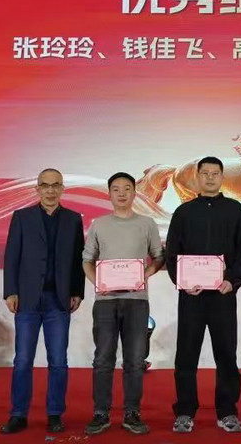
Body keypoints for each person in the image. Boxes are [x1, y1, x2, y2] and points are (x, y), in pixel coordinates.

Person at [165, 156, 241, 433]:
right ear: (198, 177)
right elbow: (172, 253)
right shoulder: (183, 212)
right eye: (205, 173)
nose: (210, 178)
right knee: (186, 354)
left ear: (222, 177)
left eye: (215, 173)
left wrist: (232, 281)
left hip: (223, 295)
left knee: (226, 354)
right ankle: (184, 412)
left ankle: (227, 412)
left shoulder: (235, 210)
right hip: (191, 296)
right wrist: (182, 281)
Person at [0, 168, 85, 435]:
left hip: (58, 301)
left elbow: (78, 259)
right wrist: (10, 291)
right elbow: (11, 256)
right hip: (27, 299)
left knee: (58, 360)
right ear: (37, 189)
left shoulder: (73, 219)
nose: (50, 190)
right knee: (23, 360)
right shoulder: (21, 217)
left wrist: (77, 291)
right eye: (45, 185)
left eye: (55, 185)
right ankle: (18, 414)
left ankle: (54, 414)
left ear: (62, 189)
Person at [81, 172, 165, 436]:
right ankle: (100, 412)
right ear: (109, 193)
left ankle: (132, 412)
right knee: (102, 359)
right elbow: (87, 259)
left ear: (134, 193)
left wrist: (145, 274)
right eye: (115, 189)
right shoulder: (99, 224)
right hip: (105, 302)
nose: (121, 193)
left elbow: (159, 256)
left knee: (135, 360)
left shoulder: (147, 224)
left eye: (127, 188)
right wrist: (98, 282)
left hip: (136, 302)